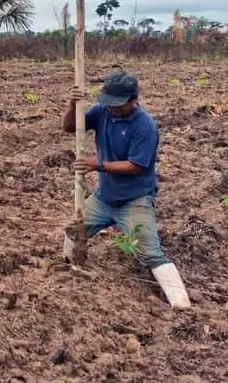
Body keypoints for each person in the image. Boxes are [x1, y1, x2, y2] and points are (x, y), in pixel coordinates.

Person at [63, 70, 191, 308]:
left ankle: (181, 302)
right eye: (109, 102)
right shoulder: (102, 111)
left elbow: (135, 166)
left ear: (134, 100)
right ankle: (68, 266)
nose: (112, 108)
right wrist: (73, 103)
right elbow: (70, 127)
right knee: (73, 230)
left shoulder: (145, 126)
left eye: (118, 104)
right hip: (104, 197)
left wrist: (98, 165)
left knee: (150, 253)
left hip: (134, 200)